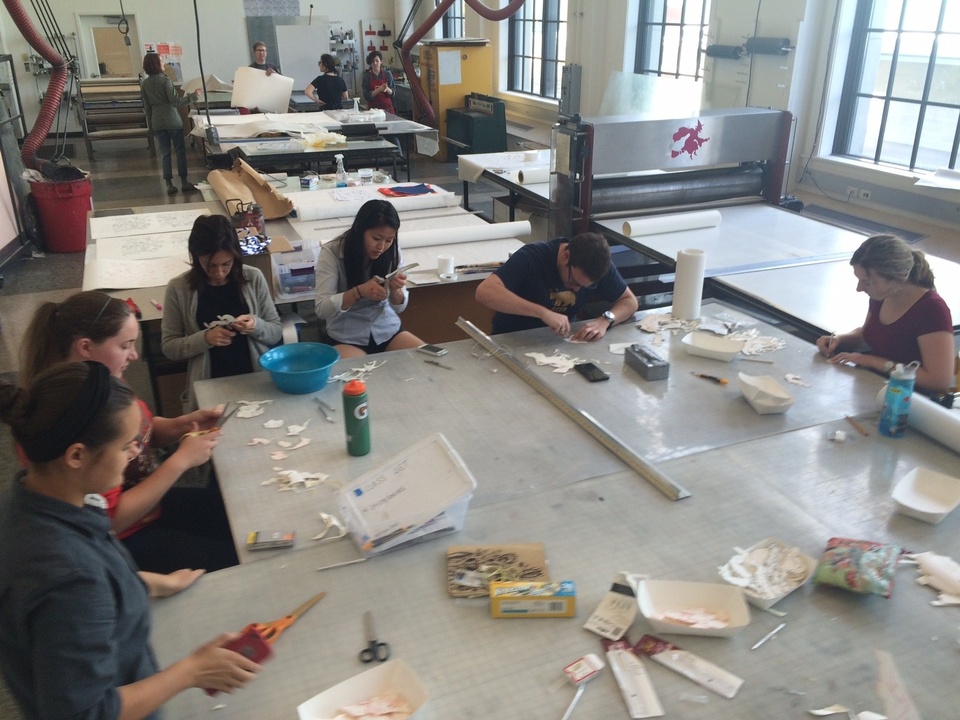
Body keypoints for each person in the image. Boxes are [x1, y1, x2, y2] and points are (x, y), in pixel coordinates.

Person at [0, 361, 261, 719]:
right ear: (76, 455)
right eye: (126, 446)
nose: (136, 454)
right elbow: (84, 713)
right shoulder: (69, 579)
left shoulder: (41, 500)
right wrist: (192, 670)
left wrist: (147, 583)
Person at [21, 291, 239, 574]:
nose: (134, 355)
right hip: (121, 536)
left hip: (149, 505)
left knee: (238, 515)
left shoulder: (107, 380)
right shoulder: (75, 415)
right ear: (85, 347)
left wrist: (183, 424)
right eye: (125, 346)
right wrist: (180, 462)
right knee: (234, 560)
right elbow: (110, 519)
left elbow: (140, 432)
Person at [162, 215, 283, 410]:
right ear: (196, 257)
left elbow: (276, 331)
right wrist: (206, 338)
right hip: (209, 385)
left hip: (255, 379)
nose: (219, 273)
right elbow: (169, 347)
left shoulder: (253, 278)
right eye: (210, 266)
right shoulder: (179, 288)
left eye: (226, 264)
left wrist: (255, 325)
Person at [816, 234, 954, 392]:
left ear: (899, 277)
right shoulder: (881, 295)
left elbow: (938, 381)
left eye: (867, 282)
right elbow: (875, 334)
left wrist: (871, 361)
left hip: (906, 399)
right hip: (876, 386)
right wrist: (840, 339)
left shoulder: (931, 310)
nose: (859, 288)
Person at [475, 232, 639, 340]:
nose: (576, 289)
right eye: (573, 282)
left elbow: (630, 302)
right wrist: (542, 312)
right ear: (566, 256)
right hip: (512, 338)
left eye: (585, 287)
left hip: (561, 342)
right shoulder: (532, 257)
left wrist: (605, 320)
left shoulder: (597, 265)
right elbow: (484, 292)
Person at [314, 199, 423, 358]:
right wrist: (358, 292)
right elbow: (321, 309)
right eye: (376, 238)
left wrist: (396, 290)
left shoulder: (392, 251)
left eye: (389, 240)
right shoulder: (332, 252)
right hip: (346, 336)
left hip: (387, 330)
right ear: (359, 229)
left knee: (426, 361)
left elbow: (399, 308)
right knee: (362, 377)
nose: (382, 246)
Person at [141, 52, 199, 195]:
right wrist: (193, 96)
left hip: (157, 121)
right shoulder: (165, 81)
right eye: (161, 62)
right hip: (172, 120)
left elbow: (147, 108)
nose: (163, 64)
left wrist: (151, 125)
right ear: (156, 64)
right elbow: (176, 102)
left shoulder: (145, 84)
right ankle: (184, 182)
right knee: (180, 151)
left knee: (165, 153)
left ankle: (168, 184)